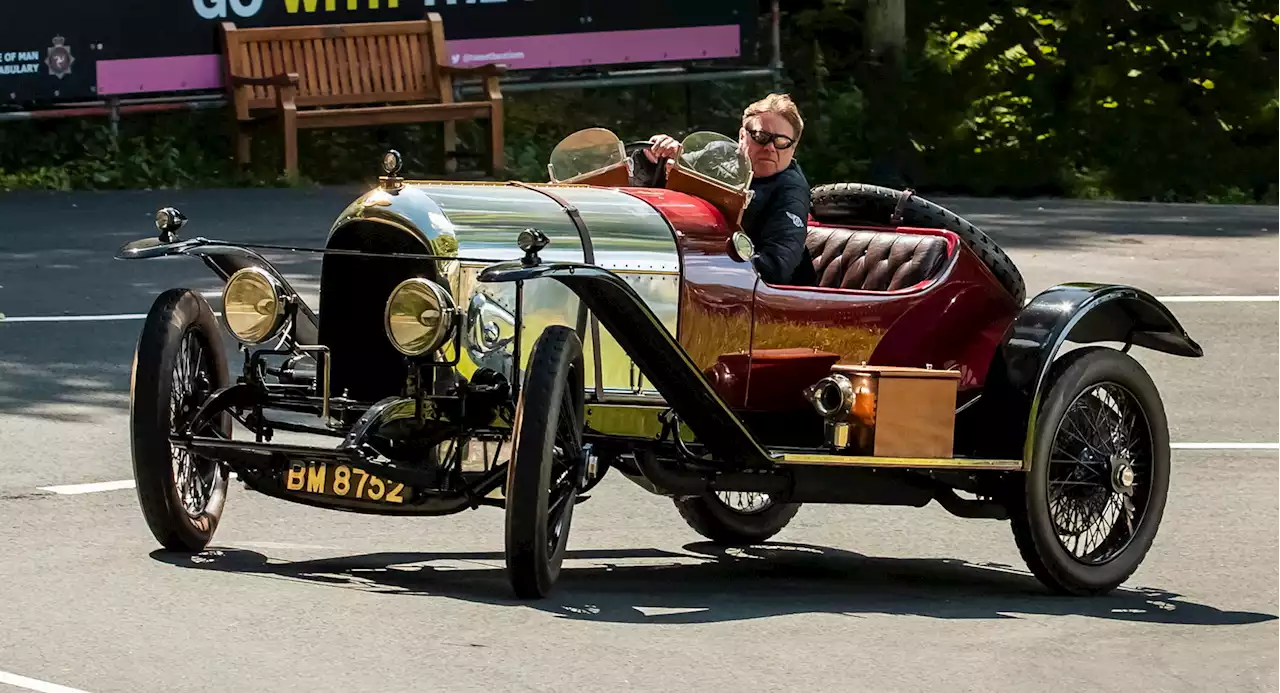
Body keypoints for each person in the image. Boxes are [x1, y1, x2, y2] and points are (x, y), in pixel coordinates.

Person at [631, 93, 815, 286]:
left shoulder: (791, 189)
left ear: (793, 148)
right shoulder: (717, 154)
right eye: (761, 136)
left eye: (781, 142)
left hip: (757, 298)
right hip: (688, 268)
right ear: (742, 135)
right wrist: (655, 159)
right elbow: (664, 183)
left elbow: (777, 267)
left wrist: (709, 266)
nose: (770, 148)